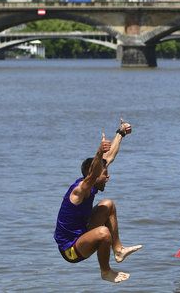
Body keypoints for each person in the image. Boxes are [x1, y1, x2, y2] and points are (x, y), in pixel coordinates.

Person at [54, 121, 142, 283]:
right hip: (70, 250)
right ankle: (106, 272)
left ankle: (118, 250)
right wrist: (98, 151)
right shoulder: (80, 190)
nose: (108, 177)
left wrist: (120, 133)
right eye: (105, 174)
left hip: (82, 232)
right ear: (93, 176)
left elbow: (110, 156)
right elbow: (94, 173)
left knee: (108, 204)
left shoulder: (95, 181)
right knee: (103, 232)